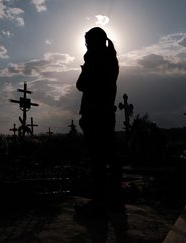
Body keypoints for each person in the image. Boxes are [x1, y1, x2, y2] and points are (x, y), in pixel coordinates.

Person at [76, 27, 123, 213]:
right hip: (104, 113)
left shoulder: (96, 59)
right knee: (109, 155)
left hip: (96, 114)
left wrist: (86, 64)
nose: (86, 46)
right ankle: (114, 197)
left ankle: (99, 202)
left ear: (95, 42)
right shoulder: (110, 58)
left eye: (88, 42)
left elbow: (81, 84)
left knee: (98, 159)